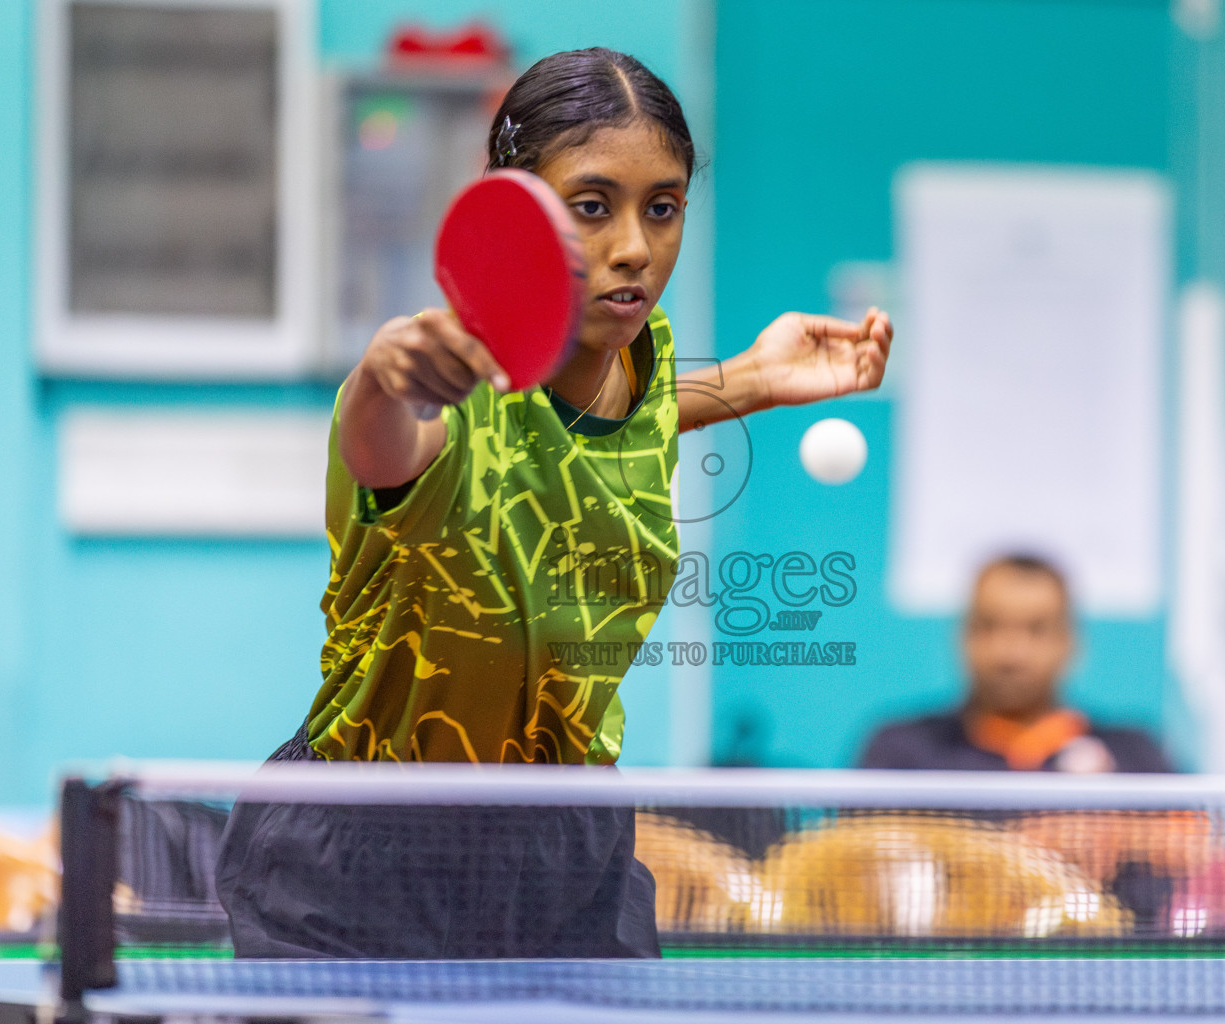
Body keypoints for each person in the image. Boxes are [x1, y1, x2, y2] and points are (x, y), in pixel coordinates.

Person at [216, 47, 893, 959]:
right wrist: (381, 375)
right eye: (592, 206)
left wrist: (753, 379)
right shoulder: (445, 392)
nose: (634, 247)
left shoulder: (644, 363)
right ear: (519, 212)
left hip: (565, 843)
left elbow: (613, 426)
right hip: (370, 846)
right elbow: (387, 449)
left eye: (662, 207)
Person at [859, 555, 1171, 773]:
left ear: (1070, 642)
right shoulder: (902, 753)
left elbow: (1185, 839)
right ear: (962, 635)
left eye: (1036, 630)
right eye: (989, 626)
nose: (1010, 653)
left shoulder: (1134, 757)